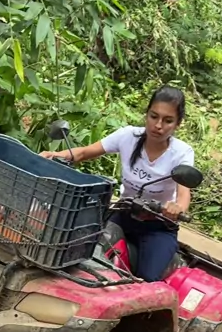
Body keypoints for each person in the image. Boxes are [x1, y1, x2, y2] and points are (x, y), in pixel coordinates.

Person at [40, 86, 195, 282]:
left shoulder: (181, 153)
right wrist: (54, 155)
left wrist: (177, 208)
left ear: (178, 124)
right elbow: (84, 152)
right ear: (146, 114)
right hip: (123, 214)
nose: (158, 125)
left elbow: (184, 194)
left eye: (168, 120)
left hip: (158, 225)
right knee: (79, 252)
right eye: (154, 116)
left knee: (147, 279)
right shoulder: (128, 136)